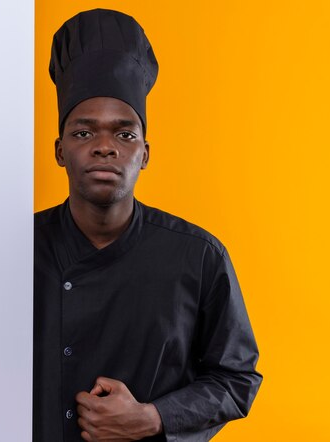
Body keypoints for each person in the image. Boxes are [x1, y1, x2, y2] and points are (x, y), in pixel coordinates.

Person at [33, 9, 262, 442]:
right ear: (59, 150)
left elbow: (236, 379)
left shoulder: (198, 256)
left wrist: (153, 417)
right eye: (84, 133)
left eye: (124, 134)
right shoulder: (15, 250)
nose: (104, 148)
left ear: (145, 153)